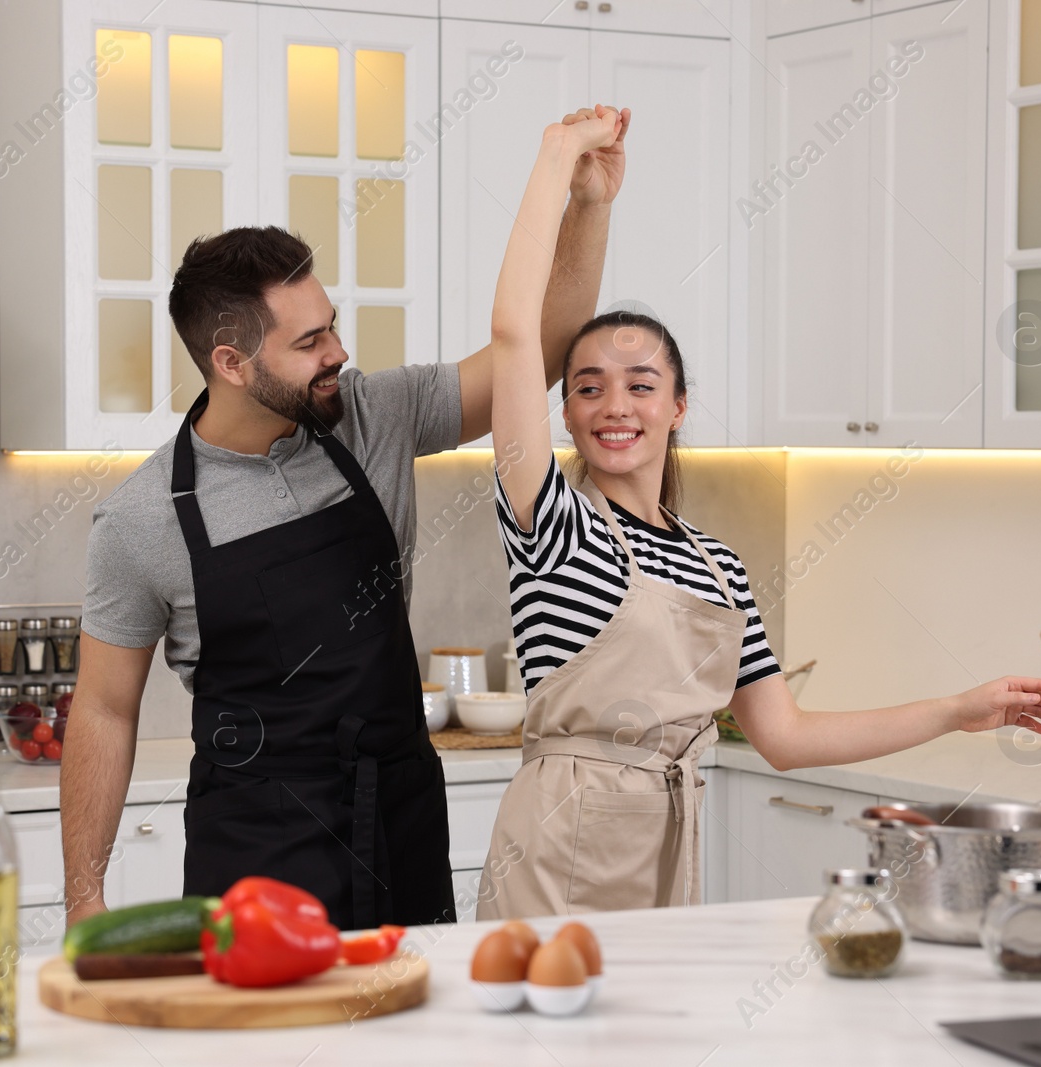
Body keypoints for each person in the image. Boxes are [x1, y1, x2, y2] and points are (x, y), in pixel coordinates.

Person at [476, 106, 1041, 919]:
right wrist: (561, 166)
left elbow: (784, 738)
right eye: (588, 387)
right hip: (557, 842)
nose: (616, 405)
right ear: (569, 414)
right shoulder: (552, 521)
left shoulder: (716, 564)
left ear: (679, 406)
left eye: (641, 384)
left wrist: (956, 709)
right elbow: (515, 333)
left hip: (668, 845)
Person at [60, 108, 637, 931]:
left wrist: (589, 204)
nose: (337, 351)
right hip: (257, 852)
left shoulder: (373, 415)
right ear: (231, 363)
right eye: (309, 340)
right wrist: (85, 894)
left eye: (331, 323)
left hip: (399, 822)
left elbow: (534, 354)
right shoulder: (143, 518)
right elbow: (104, 711)